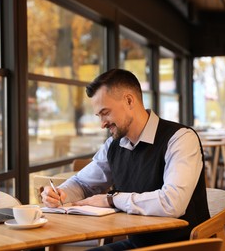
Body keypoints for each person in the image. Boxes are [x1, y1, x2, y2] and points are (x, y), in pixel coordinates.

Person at [42, 69, 210, 250]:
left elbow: (172, 203)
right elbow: (83, 184)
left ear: (129, 101)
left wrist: (112, 199)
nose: (102, 124)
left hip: (183, 246)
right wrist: (60, 193)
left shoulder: (181, 138)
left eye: (105, 112)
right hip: (138, 245)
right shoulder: (113, 145)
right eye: (99, 116)